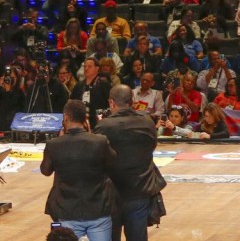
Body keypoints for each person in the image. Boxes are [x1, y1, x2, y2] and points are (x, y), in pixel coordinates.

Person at [95, 85, 167, 241]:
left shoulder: (104, 125)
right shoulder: (147, 122)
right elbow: (152, 146)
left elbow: (97, 156)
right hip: (139, 188)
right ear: (133, 101)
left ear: (111, 102)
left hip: (111, 191)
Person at [41, 99, 116, 241]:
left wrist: (59, 141)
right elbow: (113, 164)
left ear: (65, 118)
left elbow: (45, 170)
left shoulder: (54, 144)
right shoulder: (100, 141)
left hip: (66, 211)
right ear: (85, 119)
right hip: (98, 210)